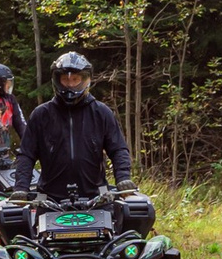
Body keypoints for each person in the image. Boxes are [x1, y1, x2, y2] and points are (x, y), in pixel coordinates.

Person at [15, 51, 134, 200]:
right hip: (49, 199)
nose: (70, 85)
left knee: (132, 217)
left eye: (75, 79)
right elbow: (26, 154)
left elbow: (118, 149)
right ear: (57, 80)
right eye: (65, 79)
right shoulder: (41, 115)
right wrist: (21, 187)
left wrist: (123, 178)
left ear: (85, 80)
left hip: (96, 198)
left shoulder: (101, 112)